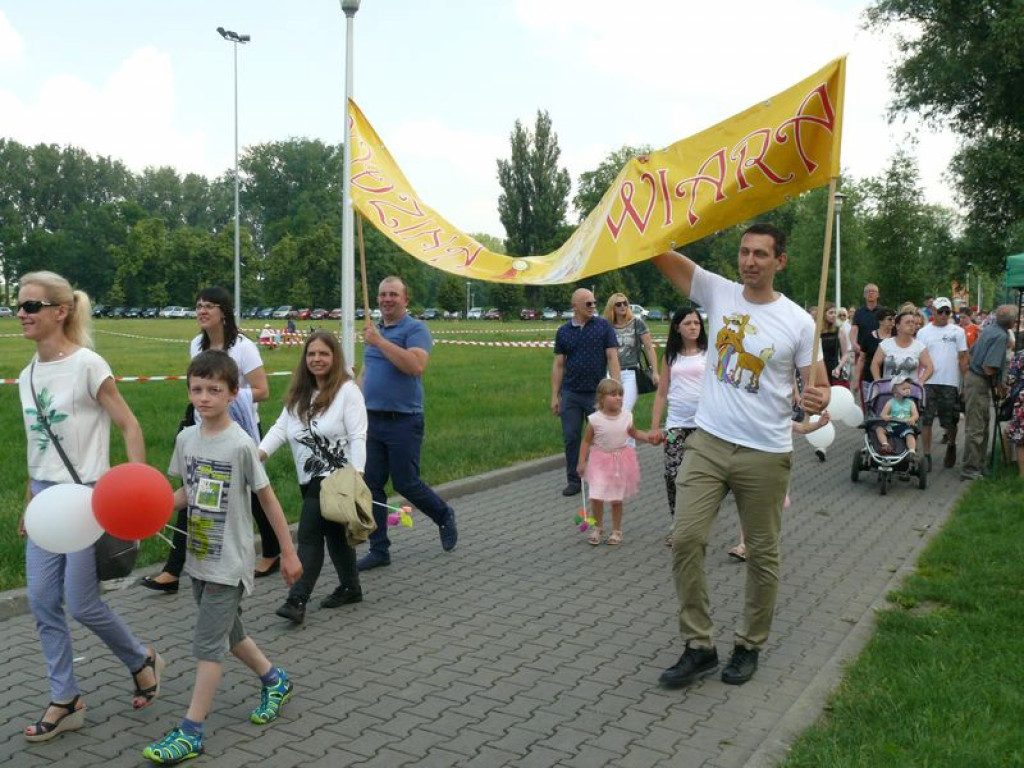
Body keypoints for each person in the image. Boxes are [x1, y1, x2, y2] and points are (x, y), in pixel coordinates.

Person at [652, 223, 829, 689]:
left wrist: (818, 398)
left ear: (780, 261)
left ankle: (749, 645)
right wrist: (637, 221)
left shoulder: (798, 322)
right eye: (744, 252)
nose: (750, 261)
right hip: (707, 443)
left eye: (761, 255)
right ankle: (699, 646)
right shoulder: (717, 292)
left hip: (766, 452)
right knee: (687, 539)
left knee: (763, 555)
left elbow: (821, 385)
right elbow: (661, 256)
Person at [17, 271, 162, 741]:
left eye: (32, 306)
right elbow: (36, 445)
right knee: (41, 600)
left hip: (86, 501)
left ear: (60, 311)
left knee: (81, 603)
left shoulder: (88, 365)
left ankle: (140, 658)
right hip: (45, 499)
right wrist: (29, 504)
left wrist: (135, 492)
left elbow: (130, 426)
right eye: (18, 305)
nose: (22, 313)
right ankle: (66, 697)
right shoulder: (27, 375)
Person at [143, 351, 302, 764]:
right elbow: (186, 493)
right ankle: (275, 679)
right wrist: (152, 510)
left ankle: (191, 731)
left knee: (208, 644)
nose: (204, 397)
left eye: (215, 390)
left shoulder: (241, 445)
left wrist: (287, 551)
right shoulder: (186, 440)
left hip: (229, 563)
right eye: (197, 389)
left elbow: (267, 501)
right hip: (198, 555)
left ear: (234, 394)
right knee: (231, 635)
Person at [142, 287, 281, 594]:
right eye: (198, 305)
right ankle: (173, 569)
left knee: (254, 493)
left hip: (239, 426)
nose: (202, 311)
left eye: (208, 306)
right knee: (194, 487)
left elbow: (263, 390)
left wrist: (229, 397)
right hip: (201, 424)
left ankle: (273, 549)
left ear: (224, 312)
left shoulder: (244, 347)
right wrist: (205, 399)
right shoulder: (196, 344)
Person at [260, 332, 367, 624]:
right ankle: (350, 587)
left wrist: (357, 477)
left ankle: (297, 599)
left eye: (324, 354)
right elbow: (280, 429)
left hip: (336, 478)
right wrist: (258, 456)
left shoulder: (347, 392)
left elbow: (358, 436)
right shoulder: (301, 394)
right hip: (307, 477)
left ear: (335, 358)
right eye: (311, 354)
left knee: (309, 535)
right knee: (334, 534)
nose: (317, 359)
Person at [356, 276, 458, 570]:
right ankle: (379, 549)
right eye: (382, 295)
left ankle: (443, 515)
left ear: (405, 300)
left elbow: (415, 366)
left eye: (393, 295)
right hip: (372, 420)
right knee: (372, 484)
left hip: (404, 420)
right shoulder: (375, 332)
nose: (387, 299)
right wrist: (351, 398)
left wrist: (380, 342)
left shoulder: (415, 329)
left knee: (406, 482)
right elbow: (368, 372)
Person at [552, 288, 621, 496]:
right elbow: (559, 365)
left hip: (596, 393)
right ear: (575, 307)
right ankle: (574, 479)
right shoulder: (563, 332)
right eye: (588, 304)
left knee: (602, 437)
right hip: (571, 393)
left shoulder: (603, 327)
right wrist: (555, 395)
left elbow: (612, 357)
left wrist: (616, 387)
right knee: (571, 436)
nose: (593, 307)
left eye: (594, 303)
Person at [650, 307, 707, 546]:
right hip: (676, 425)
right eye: (688, 323)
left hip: (705, 426)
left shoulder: (709, 353)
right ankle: (678, 523)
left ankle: (695, 526)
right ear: (677, 327)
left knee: (701, 479)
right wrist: (655, 426)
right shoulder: (671, 356)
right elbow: (662, 391)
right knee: (673, 474)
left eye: (696, 323)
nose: (693, 327)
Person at [577, 378, 658, 546]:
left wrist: (648, 437)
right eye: (613, 395)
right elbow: (586, 442)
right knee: (596, 496)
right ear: (601, 399)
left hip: (621, 461)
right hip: (599, 461)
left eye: (620, 394)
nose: (619, 398)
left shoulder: (627, 416)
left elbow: (635, 433)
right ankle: (597, 527)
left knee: (616, 499)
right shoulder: (594, 419)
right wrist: (581, 461)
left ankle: (616, 530)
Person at [962, 305, 1017, 480]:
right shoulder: (1000, 335)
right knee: (977, 427)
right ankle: (970, 469)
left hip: (974, 379)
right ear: (1011, 322)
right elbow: (989, 368)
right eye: (1015, 319)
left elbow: (972, 353)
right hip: (979, 381)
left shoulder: (990, 329)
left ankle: (978, 464)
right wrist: (999, 386)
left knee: (982, 425)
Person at [916, 297, 968, 470]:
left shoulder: (957, 332)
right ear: (933, 312)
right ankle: (927, 455)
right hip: (929, 381)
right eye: (941, 311)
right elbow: (919, 358)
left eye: (947, 312)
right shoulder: (923, 332)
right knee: (926, 419)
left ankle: (951, 445)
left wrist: (965, 383)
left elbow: (963, 358)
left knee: (950, 420)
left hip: (950, 381)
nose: (944, 315)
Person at [603, 293, 659, 418]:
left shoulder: (637, 323)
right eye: (618, 304)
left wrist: (655, 372)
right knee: (610, 412)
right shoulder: (606, 326)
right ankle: (626, 438)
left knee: (623, 412)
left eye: (625, 303)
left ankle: (627, 437)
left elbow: (649, 348)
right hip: (610, 373)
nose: (623, 306)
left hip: (631, 372)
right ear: (612, 307)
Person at [870, 310, 934, 384]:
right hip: (888, 391)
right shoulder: (885, 344)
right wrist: (878, 381)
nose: (911, 325)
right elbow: (875, 364)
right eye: (908, 322)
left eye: (913, 322)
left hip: (911, 391)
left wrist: (921, 380)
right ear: (897, 326)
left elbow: (930, 367)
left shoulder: (919, 346)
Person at [875, 375, 920, 455]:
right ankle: (885, 445)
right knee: (879, 429)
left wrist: (912, 419)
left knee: (910, 435)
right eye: (904, 389)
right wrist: (886, 417)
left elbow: (916, 415)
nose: (907, 391)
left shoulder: (910, 403)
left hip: (905, 426)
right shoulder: (891, 402)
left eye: (909, 388)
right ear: (895, 391)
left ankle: (912, 451)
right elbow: (883, 414)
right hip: (892, 426)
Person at [850, 283, 880, 400]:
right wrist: (854, 343)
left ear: (878, 294)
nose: (871, 293)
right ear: (864, 295)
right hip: (862, 352)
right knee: (862, 384)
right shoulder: (859, 312)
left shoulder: (883, 312)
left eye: (873, 291)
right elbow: (854, 329)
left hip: (879, 352)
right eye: (868, 291)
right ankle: (865, 411)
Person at [1001, 348, 1024, 476]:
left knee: (1021, 439)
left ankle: (1022, 476)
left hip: (1021, 400)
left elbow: (1011, 380)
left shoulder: (1020, 355)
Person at [819, 302, 850, 387]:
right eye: (830, 313)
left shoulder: (840, 331)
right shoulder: (817, 332)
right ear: (824, 314)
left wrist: (839, 367)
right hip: (820, 368)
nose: (833, 315)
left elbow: (845, 354)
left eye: (835, 313)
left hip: (834, 369)